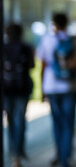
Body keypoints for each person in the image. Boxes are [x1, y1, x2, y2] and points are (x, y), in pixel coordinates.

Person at [37, 13, 76, 167]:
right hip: (69, 86)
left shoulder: (47, 39)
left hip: (51, 86)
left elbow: (43, 64)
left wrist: (42, 89)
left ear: (54, 24)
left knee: (57, 122)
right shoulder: (74, 40)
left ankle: (59, 153)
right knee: (68, 123)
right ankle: (65, 157)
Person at [3, 23, 35, 167]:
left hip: (7, 89)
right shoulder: (26, 48)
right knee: (20, 120)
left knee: (10, 120)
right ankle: (18, 152)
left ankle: (14, 153)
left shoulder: (3, 48)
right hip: (22, 89)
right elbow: (32, 65)